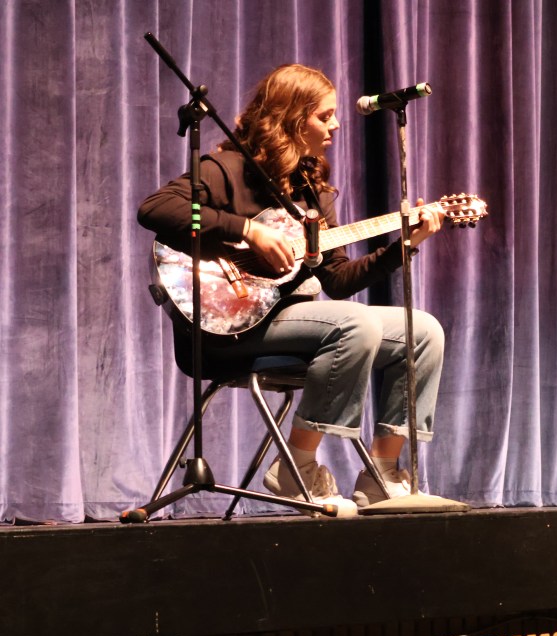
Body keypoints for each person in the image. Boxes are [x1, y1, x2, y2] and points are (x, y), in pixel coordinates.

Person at [138, 64, 447, 516]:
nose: (336, 125)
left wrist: (404, 245)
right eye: (325, 116)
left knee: (422, 331)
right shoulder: (226, 168)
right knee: (355, 323)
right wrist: (248, 230)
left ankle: (383, 474)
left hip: (289, 320)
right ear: (291, 118)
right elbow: (156, 208)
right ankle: (296, 466)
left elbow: (338, 280)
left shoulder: (311, 189)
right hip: (227, 329)